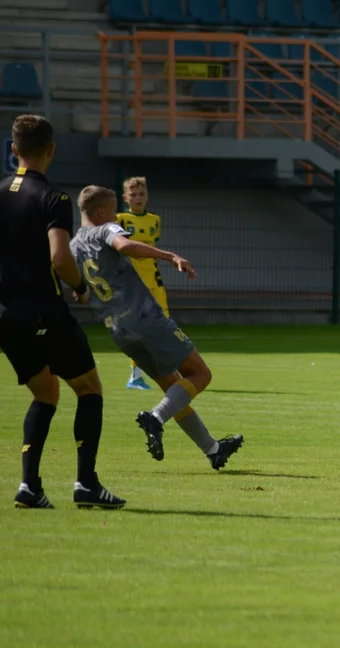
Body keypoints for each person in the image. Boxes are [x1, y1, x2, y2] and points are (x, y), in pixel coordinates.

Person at [71, 186, 245, 470]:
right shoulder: (106, 229)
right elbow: (125, 246)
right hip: (144, 318)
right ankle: (155, 417)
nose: (116, 215)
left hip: (118, 331)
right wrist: (169, 256)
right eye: (113, 209)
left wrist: (80, 290)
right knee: (200, 374)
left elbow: (77, 287)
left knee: (174, 388)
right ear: (102, 212)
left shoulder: (73, 246)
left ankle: (213, 450)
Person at [0, 115, 124, 510]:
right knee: (89, 389)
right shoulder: (54, 198)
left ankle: (29, 487)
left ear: (14, 149)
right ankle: (86, 484)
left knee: (46, 392)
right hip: (42, 311)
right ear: (52, 150)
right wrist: (80, 285)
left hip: (5, 315)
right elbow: (59, 256)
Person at [116, 176, 166, 390]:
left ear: (147, 197)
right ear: (125, 197)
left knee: (164, 325)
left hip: (154, 281)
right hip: (132, 283)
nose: (138, 198)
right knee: (137, 328)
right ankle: (135, 375)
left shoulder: (155, 220)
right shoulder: (120, 219)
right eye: (133, 194)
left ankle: (164, 369)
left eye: (142, 194)